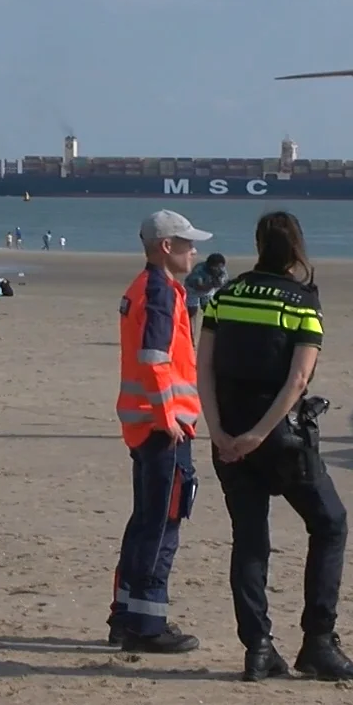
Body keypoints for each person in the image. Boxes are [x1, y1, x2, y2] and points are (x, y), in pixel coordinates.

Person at [200, 211, 353, 682]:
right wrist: (260, 433)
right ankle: (318, 642)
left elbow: (203, 370)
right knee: (330, 523)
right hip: (280, 438)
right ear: (297, 247)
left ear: (257, 243)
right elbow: (298, 380)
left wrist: (218, 431)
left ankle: (257, 647)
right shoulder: (302, 303)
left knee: (250, 540)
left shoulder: (224, 296)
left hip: (228, 433)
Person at [107, 209, 212, 653]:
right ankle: (146, 624)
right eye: (187, 243)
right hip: (162, 428)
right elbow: (154, 358)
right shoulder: (159, 291)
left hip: (145, 424)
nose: (195, 251)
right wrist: (169, 416)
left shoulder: (150, 287)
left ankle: (126, 616)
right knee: (163, 524)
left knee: (146, 520)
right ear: (165, 246)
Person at [184, 253, 230, 342]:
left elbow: (224, 284)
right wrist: (214, 283)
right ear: (209, 265)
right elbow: (200, 286)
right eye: (215, 267)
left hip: (209, 290)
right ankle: (190, 336)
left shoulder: (222, 271)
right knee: (192, 311)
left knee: (209, 311)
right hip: (193, 289)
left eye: (219, 267)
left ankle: (210, 333)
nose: (217, 270)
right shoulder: (199, 270)